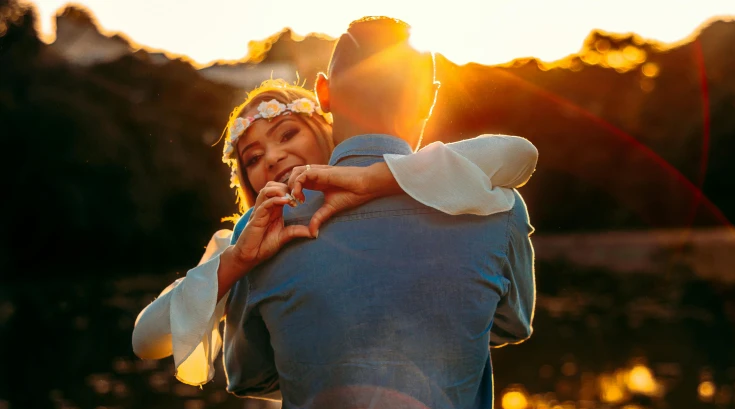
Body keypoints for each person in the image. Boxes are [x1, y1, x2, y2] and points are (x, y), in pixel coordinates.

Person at [223, 17, 535, 409]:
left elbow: (248, 375)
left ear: (323, 93)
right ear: (429, 98)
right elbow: (510, 323)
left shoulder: (260, 234)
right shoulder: (494, 206)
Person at [132, 78, 538, 386]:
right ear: (247, 179)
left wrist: (373, 181)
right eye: (253, 157)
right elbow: (146, 340)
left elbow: (517, 154)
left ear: (324, 131)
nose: (272, 158)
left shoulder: (415, 190)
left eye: (288, 134)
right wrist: (237, 261)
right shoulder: (238, 245)